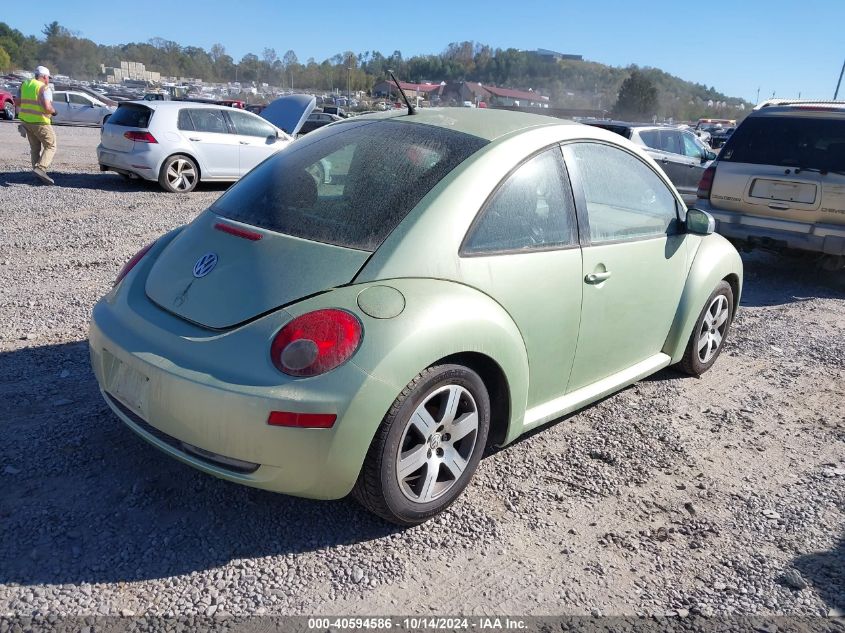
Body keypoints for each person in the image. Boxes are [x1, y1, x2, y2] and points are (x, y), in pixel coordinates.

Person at [17, 66, 57, 185]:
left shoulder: (24, 84)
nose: (48, 80)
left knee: (35, 148)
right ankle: (41, 168)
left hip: (26, 122)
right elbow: (47, 107)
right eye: (48, 78)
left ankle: (37, 174)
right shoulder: (44, 88)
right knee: (51, 145)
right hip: (40, 122)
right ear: (44, 77)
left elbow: (17, 102)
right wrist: (54, 112)